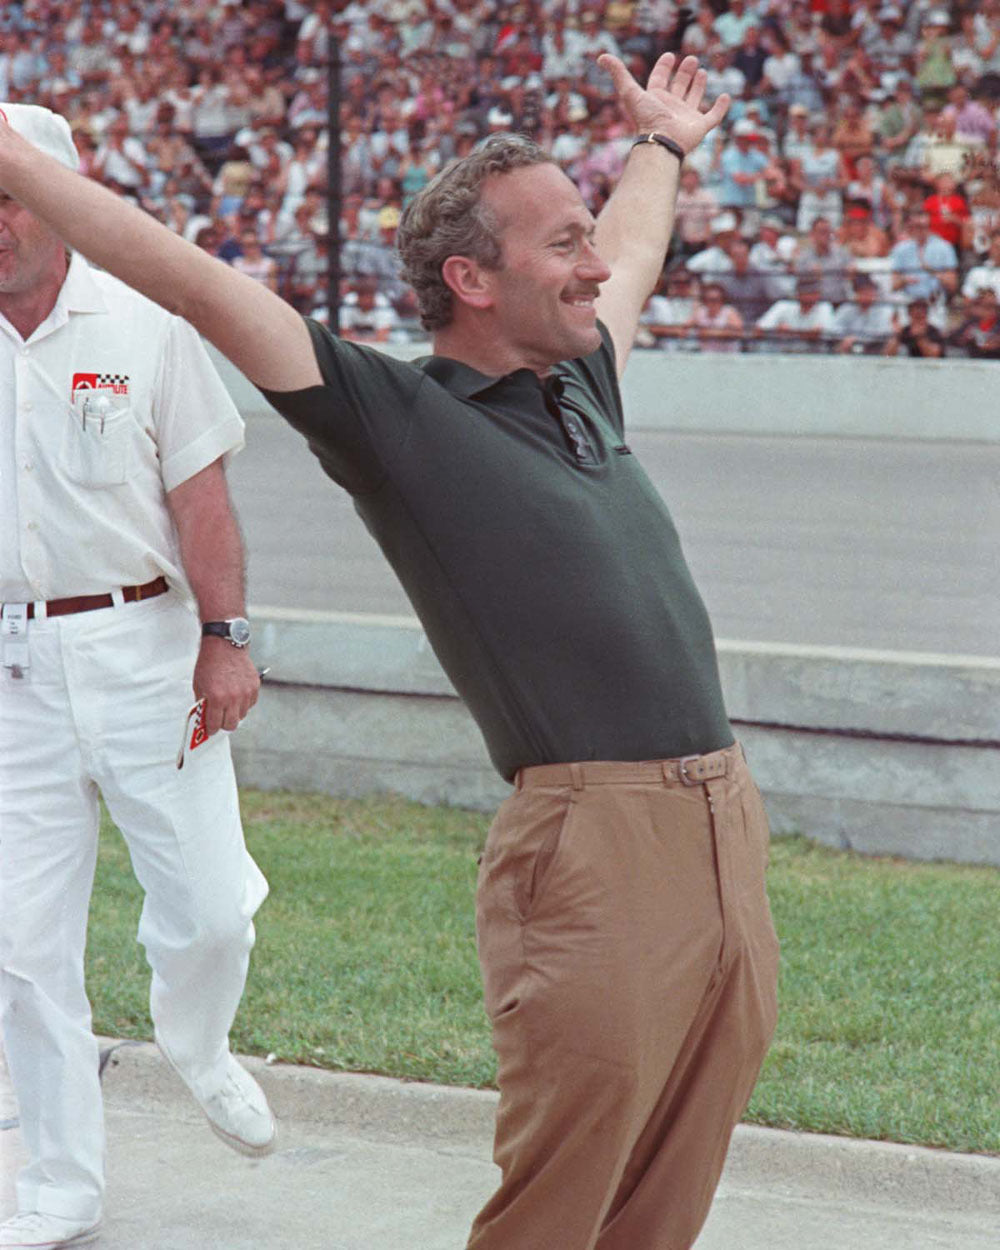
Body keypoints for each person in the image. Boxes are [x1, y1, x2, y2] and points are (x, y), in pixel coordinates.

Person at [0, 55, 779, 1250]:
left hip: (719, 826)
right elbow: (196, 284)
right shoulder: (401, 425)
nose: (596, 266)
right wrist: (18, 164)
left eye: (587, 241)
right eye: (561, 244)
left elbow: (628, 247)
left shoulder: (581, 386)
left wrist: (661, 149)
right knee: (559, 1200)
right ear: (471, 278)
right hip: (591, 840)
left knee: (666, 1189)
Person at [0, 104, 274, 1250]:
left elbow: (201, 502)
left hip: (151, 647)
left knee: (210, 909)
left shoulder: (150, 323)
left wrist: (228, 635)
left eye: (12, 196)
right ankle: (60, 1185)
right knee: (21, 944)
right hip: (13, 665)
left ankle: (197, 1041)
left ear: (64, 204)